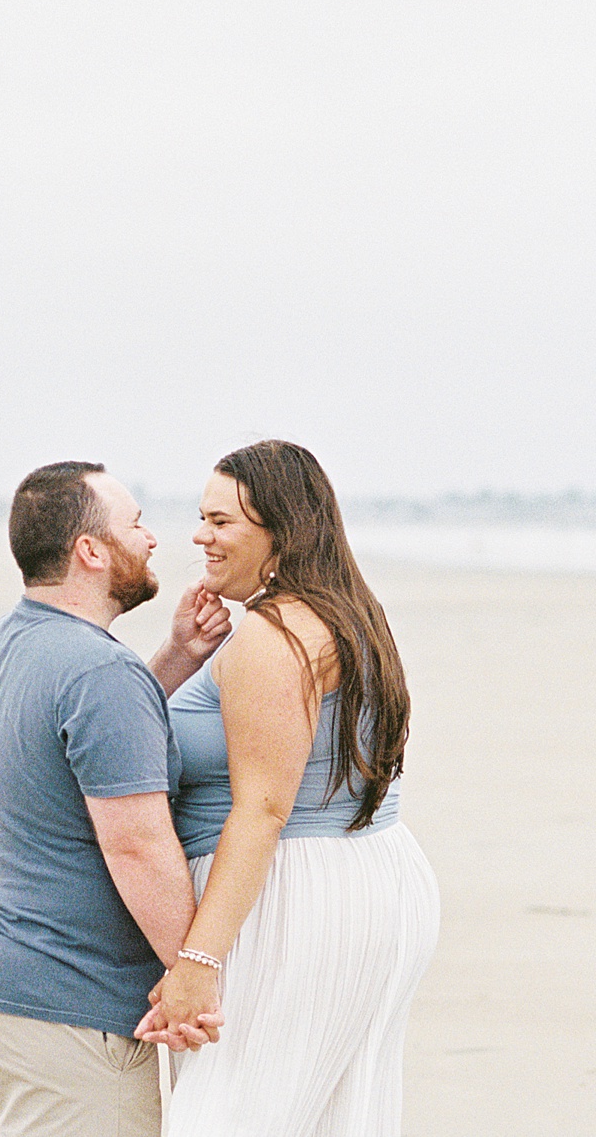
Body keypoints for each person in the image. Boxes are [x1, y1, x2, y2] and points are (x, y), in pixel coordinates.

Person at [136, 440, 440, 1137]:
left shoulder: (275, 638)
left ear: (281, 532)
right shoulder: (350, 614)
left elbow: (264, 809)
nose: (198, 535)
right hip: (371, 872)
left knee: (223, 1118)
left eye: (221, 522)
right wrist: (184, 654)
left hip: (295, 897)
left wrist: (197, 961)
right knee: (336, 1117)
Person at [0, 461, 229, 1137]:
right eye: (136, 523)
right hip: (59, 1009)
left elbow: (85, 742)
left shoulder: (14, 639)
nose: (152, 539)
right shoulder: (98, 672)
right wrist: (191, 976)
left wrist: (175, 657)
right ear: (90, 550)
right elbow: (137, 843)